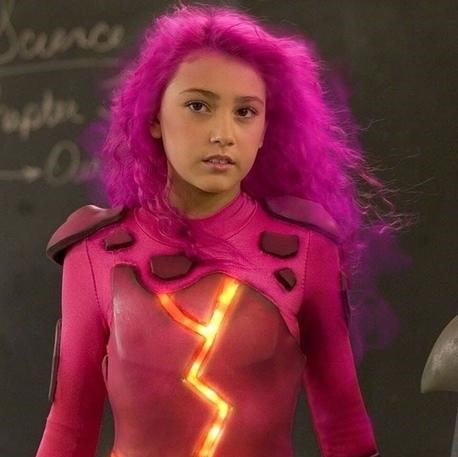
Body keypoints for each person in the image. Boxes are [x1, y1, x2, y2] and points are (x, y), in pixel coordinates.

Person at [35, 2, 396, 456]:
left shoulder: (308, 249)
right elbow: (69, 428)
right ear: (153, 117)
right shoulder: (93, 253)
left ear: (266, 129)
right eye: (198, 106)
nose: (223, 133)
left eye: (245, 112)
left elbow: (344, 427)